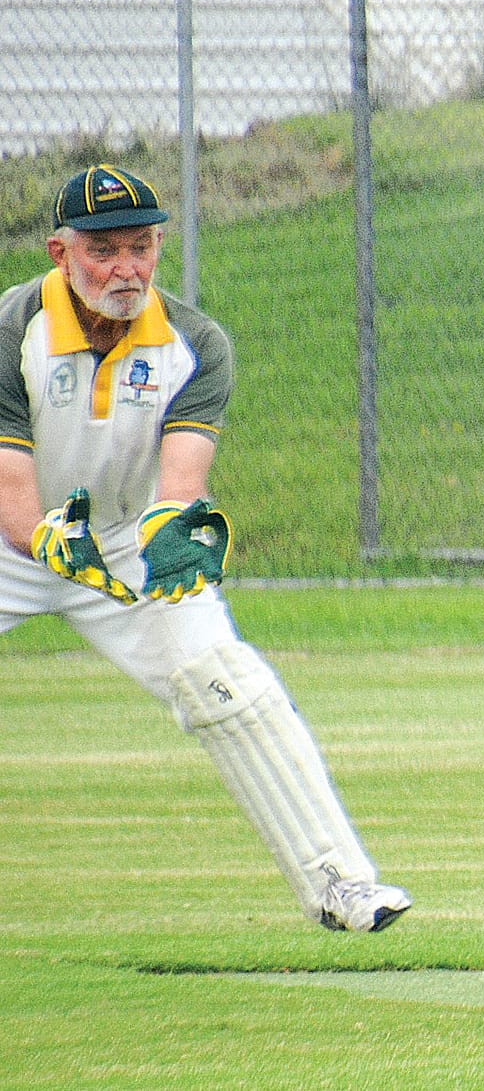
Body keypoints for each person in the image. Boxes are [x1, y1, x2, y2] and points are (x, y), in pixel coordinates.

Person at [0, 164, 410, 933]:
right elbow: (12, 494)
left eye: (141, 248)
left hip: (118, 541)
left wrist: (169, 535)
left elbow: (180, 478)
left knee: (224, 679)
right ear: (60, 252)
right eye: (103, 252)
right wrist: (51, 541)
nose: (125, 269)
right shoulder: (9, 330)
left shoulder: (196, 344)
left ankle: (341, 882)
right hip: (12, 541)